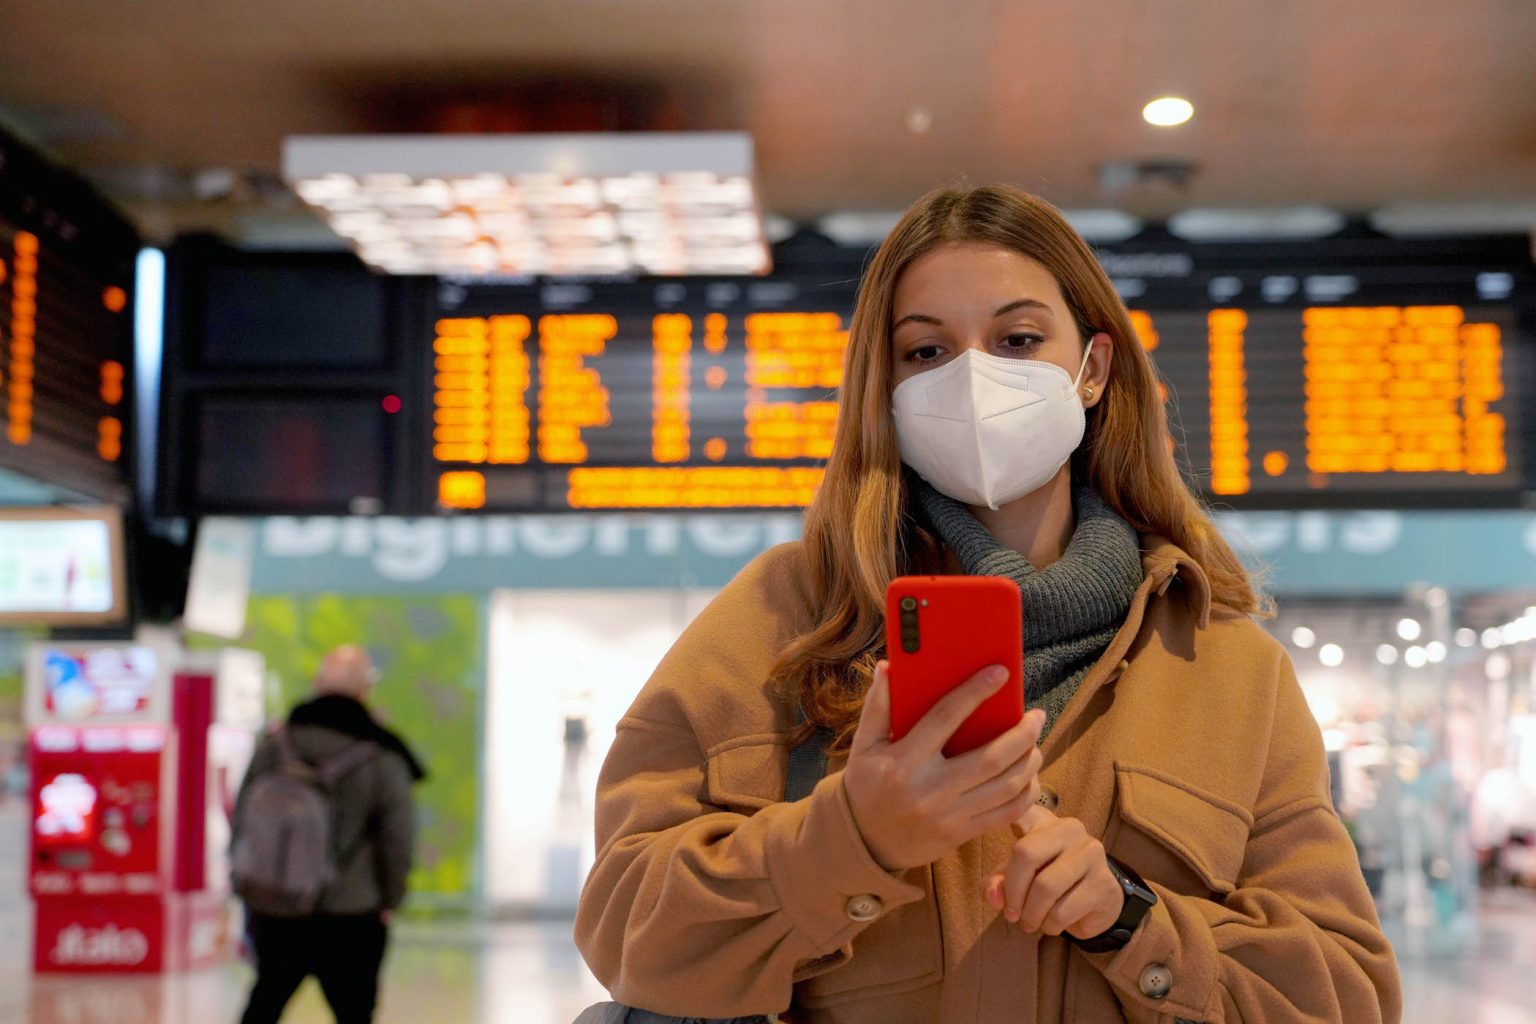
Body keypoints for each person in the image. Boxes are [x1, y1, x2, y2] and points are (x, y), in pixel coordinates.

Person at [574, 184, 1402, 1022]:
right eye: (926, 352)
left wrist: (1129, 918)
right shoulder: (779, 620)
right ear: (885, 388)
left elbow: (1347, 995)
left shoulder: (1228, 668)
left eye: (1017, 339)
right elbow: (624, 931)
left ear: (1092, 369)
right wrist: (854, 838)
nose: (974, 377)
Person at [236, 645, 424, 1024]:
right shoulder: (381, 756)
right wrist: (391, 897)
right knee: (354, 1013)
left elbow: (242, 817)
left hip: (276, 906)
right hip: (352, 913)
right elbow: (398, 839)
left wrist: (249, 889)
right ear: (364, 691)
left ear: (318, 684)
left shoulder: (275, 745)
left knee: (265, 1003)